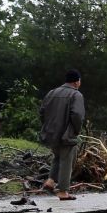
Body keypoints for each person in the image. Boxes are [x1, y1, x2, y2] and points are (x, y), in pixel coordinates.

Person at [39, 70, 85, 201]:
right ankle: (63, 191)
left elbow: (42, 112)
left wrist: (47, 126)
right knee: (67, 160)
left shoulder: (52, 93)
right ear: (77, 81)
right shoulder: (76, 94)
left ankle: (51, 181)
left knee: (58, 157)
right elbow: (77, 115)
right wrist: (76, 130)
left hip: (51, 132)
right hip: (67, 133)